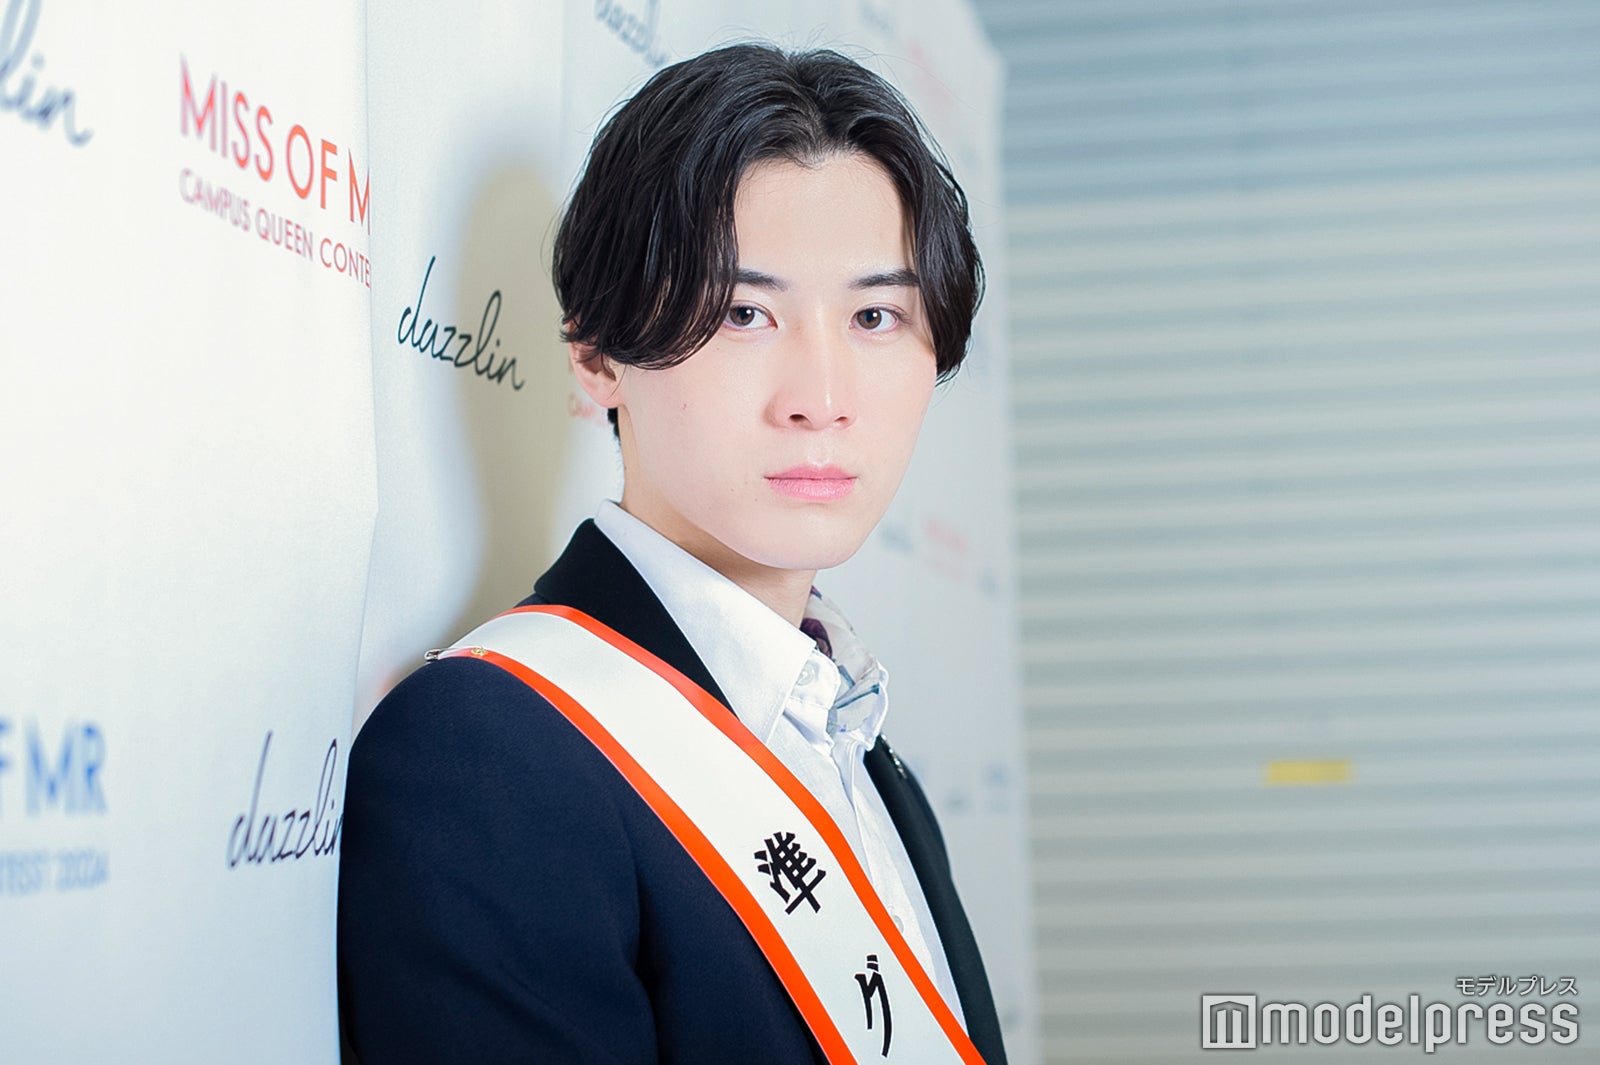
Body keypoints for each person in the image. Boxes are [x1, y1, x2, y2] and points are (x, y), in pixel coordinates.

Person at [338, 42, 1005, 1065]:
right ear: (596, 354)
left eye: (876, 316)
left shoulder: (860, 744)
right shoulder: (486, 751)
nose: (821, 397)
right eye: (744, 313)